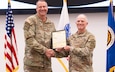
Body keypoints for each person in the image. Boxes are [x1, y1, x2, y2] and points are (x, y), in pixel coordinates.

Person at [23, 0, 56, 72]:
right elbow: (30, 40)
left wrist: (61, 50)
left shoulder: (51, 24)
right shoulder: (30, 21)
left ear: (47, 8)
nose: (42, 9)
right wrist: (45, 51)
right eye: (40, 7)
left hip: (46, 65)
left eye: (44, 7)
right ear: (36, 9)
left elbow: (55, 41)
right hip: (32, 65)